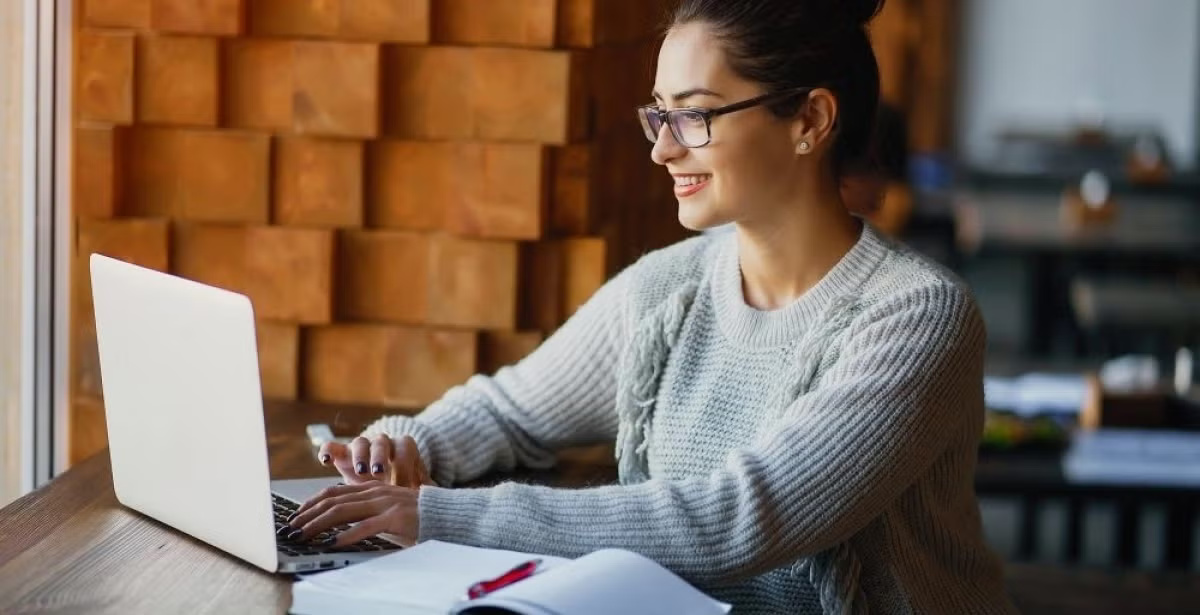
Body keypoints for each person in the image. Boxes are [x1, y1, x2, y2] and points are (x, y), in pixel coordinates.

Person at [285, 0, 1017, 612]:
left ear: (810, 121)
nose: (662, 151)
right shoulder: (668, 287)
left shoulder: (918, 318)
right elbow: (511, 409)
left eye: (694, 117)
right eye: (657, 115)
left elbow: (741, 518)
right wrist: (405, 448)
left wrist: (437, 515)